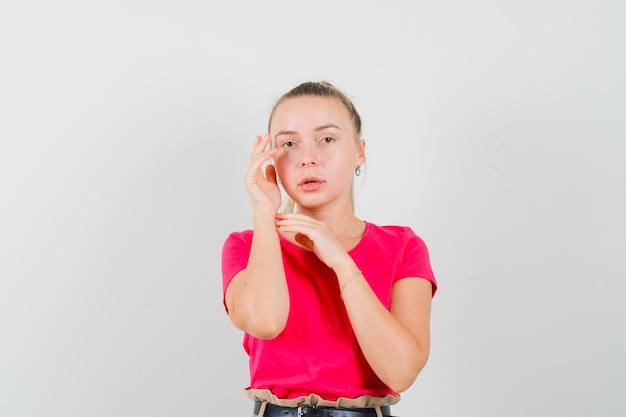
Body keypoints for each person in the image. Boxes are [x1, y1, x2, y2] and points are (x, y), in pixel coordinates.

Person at [221, 81, 437, 417]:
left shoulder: (403, 247)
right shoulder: (247, 245)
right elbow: (265, 321)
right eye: (289, 143)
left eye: (327, 139)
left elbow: (401, 371)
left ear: (359, 152)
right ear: (271, 158)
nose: (307, 158)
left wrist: (341, 261)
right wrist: (264, 212)